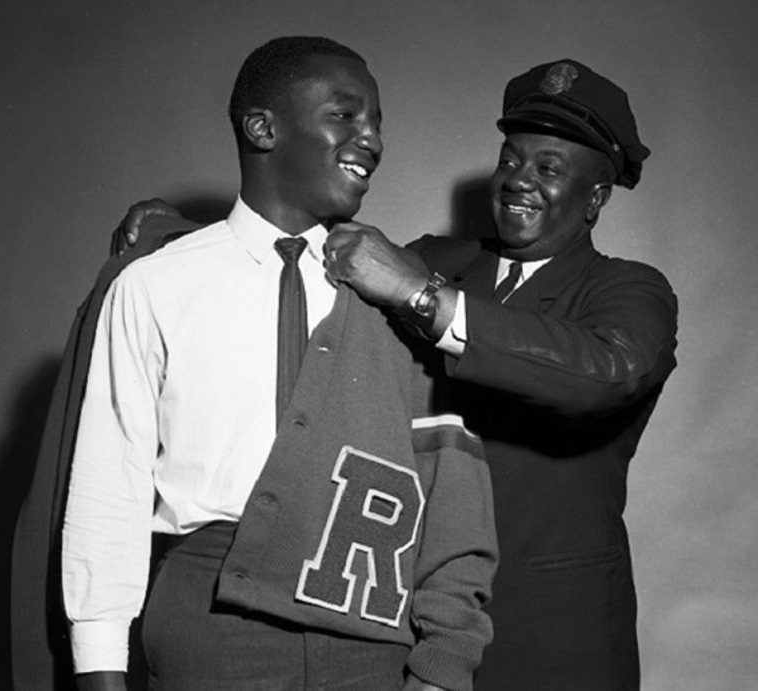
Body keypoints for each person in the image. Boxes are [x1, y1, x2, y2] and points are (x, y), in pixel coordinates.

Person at [122, 59, 678, 690]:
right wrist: (188, 237)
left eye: (547, 168)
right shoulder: (441, 259)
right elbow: (304, 274)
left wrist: (421, 295)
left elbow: (604, 371)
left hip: (550, 635)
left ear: (596, 198)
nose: (518, 180)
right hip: (406, 625)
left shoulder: (628, 290)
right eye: (509, 160)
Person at [10, 37, 497, 691]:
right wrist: (101, 668)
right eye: (347, 115)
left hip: (365, 616)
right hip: (207, 618)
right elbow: (109, 488)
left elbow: (450, 489)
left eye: (378, 122)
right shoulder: (155, 283)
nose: (372, 139)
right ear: (263, 127)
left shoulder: (404, 291)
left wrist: (443, 665)